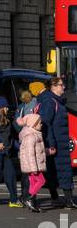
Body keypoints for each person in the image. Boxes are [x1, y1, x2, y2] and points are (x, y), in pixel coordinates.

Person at [35, 76, 76, 208]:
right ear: (53, 87)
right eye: (61, 85)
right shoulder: (50, 102)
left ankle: (59, 197)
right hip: (56, 142)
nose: (63, 87)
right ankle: (67, 199)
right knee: (61, 170)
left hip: (61, 142)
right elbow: (46, 124)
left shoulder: (57, 101)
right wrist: (51, 144)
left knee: (56, 171)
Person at [18, 111, 47, 214]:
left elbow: (38, 151)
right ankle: (29, 199)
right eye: (39, 123)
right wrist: (34, 168)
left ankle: (31, 202)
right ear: (34, 124)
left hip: (33, 165)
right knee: (41, 181)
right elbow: (30, 155)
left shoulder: (35, 134)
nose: (41, 124)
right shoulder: (31, 136)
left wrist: (47, 151)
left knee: (34, 183)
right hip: (32, 166)